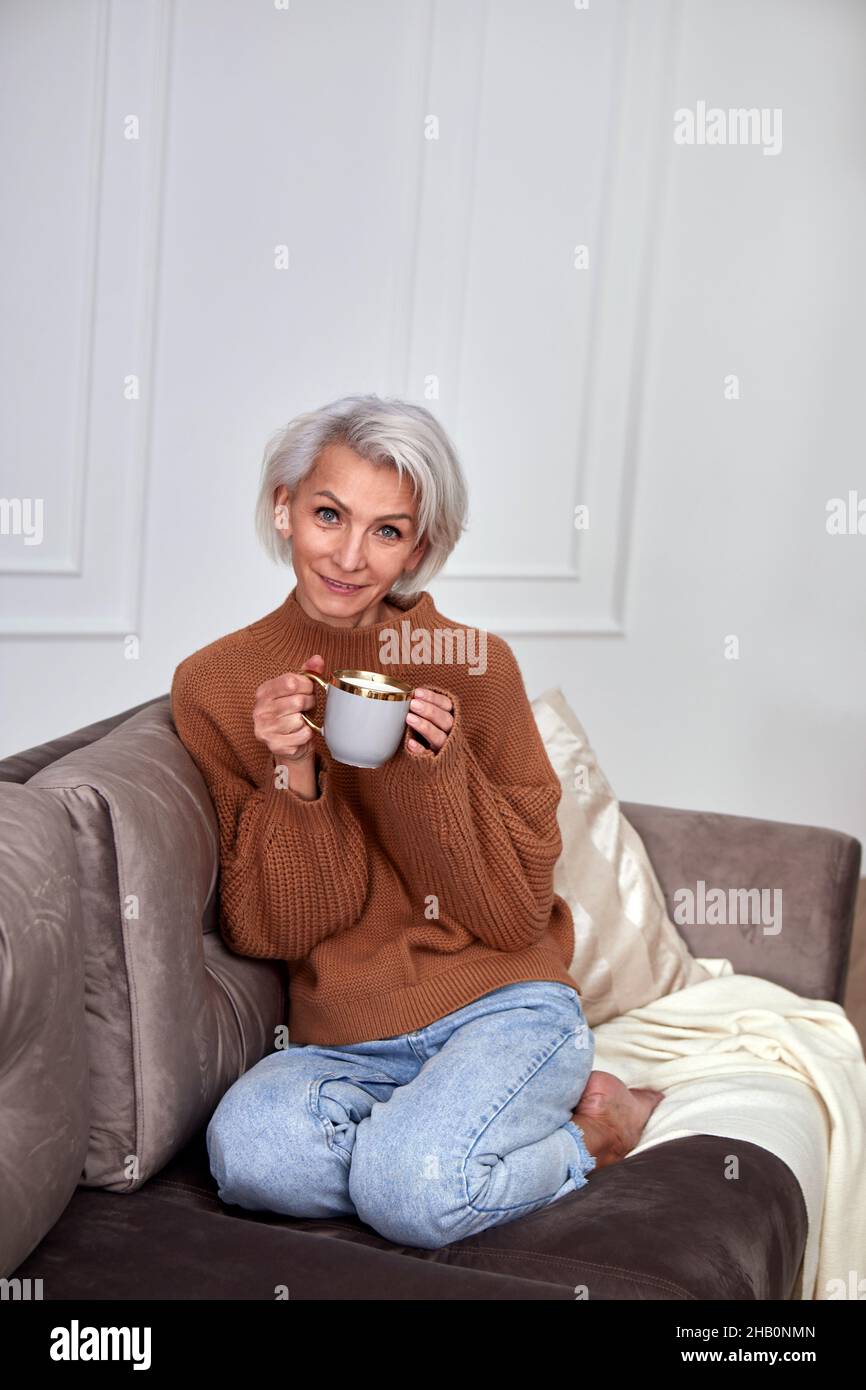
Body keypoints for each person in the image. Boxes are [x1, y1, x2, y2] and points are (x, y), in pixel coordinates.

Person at [170, 393, 661, 1249]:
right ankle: (431, 1150)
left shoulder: (476, 666)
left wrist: (435, 772)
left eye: (388, 531)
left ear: (420, 548)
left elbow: (511, 914)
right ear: (282, 510)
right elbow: (273, 929)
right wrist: (294, 775)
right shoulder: (217, 684)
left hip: (501, 1005)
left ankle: (592, 1136)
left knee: (415, 1191)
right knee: (252, 1158)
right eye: (329, 515)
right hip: (342, 1039)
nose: (351, 557)